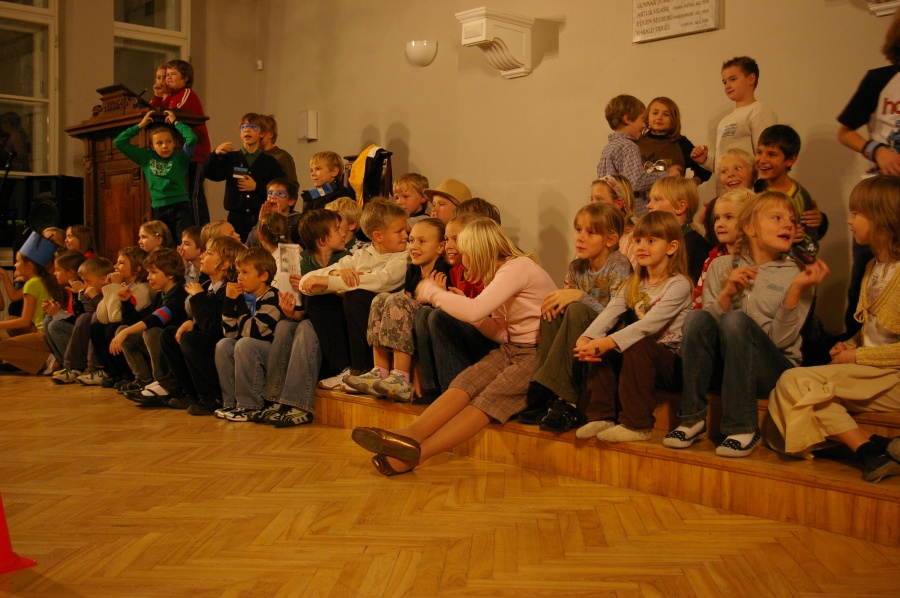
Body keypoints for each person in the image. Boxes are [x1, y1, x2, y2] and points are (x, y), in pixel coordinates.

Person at [350, 218, 557, 476]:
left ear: (477, 251)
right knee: (466, 382)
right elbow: (502, 333)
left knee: (489, 399)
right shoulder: (499, 274)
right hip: (512, 348)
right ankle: (409, 435)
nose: (461, 259)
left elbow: (475, 310)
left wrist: (435, 293)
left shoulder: (517, 268)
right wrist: (472, 313)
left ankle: (417, 455)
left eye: (464, 253)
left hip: (538, 354)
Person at [664, 192, 829, 457]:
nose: (788, 225)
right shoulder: (721, 266)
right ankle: (692, 419)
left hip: (774, 371)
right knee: (696, 317)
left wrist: (796, 290)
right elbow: (704, 332)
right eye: (777, 218)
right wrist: (727, 294)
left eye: (792, 220)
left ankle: (742, 427)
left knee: (736, 320)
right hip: (728, 368)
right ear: (750, 228)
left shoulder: (800, 274)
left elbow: (780, 341)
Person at [766, 176, 900, 482]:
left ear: (883, 219)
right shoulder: (873, 267)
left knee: (792, 383)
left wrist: (857, 357)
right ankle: (877, 446)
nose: (849, 221)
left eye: (857, 214)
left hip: (892, 377)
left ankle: (866, 451)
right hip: (874, 373)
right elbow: (874, 332)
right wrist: (850, 345)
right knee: (790, 393)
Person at [573, 211, 693, 442]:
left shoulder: (679, 284)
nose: (641, 247)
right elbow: (610, 313)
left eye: (651, 241)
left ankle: (637, 425)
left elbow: (648, 325)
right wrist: (587, 338)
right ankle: (602, 415)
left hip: (671, 362)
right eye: (637, 240)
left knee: (633, 343)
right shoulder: (633, 283)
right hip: (640, 361)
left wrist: (607, 342)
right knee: (606, 345)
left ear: (671, 247)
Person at [518, 203, 632, 430]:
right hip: (580, 332)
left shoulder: (619, 264)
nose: (580, 237)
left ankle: (563, 397)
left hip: (612, 334)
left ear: (610, 240)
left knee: (576, 309)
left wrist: (580, 296)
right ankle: (541, 383)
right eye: (578, 230)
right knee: (553, 310)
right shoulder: (576, 266)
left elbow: (616, 315)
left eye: (590, 232)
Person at [256, 209, 351, 427]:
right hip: (315, 327)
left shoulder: (345, 259)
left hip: (338, 334)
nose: (343, 233)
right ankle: (274, 398)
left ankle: (298, 403)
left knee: (307, 326)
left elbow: (347, 298)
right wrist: (291, 312)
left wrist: (318, 283)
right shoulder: (305, 262)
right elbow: (305, 312)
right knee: (285, 326)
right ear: (322, 240)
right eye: (337, 230)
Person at [304, 198, 410, 388]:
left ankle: (363, 369)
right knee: (317, 302)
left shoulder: (406, 254)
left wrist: (329, 281)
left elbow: (383, 280)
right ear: (378, 236)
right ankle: (344, 368)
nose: (406, 235)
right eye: (399, 231)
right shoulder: (362, 255)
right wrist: (334, 273)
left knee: (357, 296)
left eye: (405, 229)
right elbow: (306, 282)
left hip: (391, 317)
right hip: (363, 317)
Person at [345, 218, 451, 402]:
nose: (414, 246)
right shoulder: (413, 271)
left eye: (422, 241)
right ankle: (380, 371)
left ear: (440, 247)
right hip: (411, 329)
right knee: (380, 299)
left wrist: (417, 370)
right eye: (412, 240)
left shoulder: (443, 271)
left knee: (398, 300)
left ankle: (401, 377)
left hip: (429, 330)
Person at [414, 213, 497, 403]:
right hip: (469, 330)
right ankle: (431, 387)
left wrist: (457, 300)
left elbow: (484, 312)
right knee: (423, 314)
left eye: (456, 239)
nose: (449, 245)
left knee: (438, 317)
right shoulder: (454, 271)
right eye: (446, 239)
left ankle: (451, 392)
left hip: (488, 336)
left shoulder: (488, 271)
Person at [161, 235, 243, 415]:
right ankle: (189, 393)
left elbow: (214, 329)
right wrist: (190, 322)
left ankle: (212, 397)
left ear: (224, 264)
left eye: (209, 253)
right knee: (169, 334)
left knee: (192, 340)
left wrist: (198, 297)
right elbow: (201, 319)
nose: (202, 256)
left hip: (224, 344)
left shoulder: (231, 289)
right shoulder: (206, 285)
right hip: (209, 338)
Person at [109, 248, 189, 400]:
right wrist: (126, 303)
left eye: (153, 272)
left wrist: (125, 332)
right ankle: (143, 379)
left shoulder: (180, 295)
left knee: (152, 332)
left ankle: (163, 382)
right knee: (123, 329)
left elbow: (155, 319)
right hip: (164, 349)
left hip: (176, 350)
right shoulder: (161, 295)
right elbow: (139, 321)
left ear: (170, 274)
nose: (148, 277)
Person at [214, 246, 283, 421]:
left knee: (245, 344)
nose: (239, 278)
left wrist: (238, 302)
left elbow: (253, 332)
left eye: (245, 272)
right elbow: (229, 334)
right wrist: (229, 302)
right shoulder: (244, 297)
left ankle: (250, 405)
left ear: (263, 276)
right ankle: (231, 402)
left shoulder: (273, 297)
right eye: (238, 272)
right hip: (248, 348)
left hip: (271, 352)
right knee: (223, 345)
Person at [691, 56, 778, 193]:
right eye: (724, 82)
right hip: (725, 195)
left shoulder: (759, 111)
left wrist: (761, 193)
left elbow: (765, 157)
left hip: (748, 194)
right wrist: (705, 160)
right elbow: (723, 165)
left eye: (733, 79)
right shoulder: (725, 120)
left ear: (751, 79)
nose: (727, 86)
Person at [114, 109, 197, 239]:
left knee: (184, 241)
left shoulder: (181, 158)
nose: (165, 146)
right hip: (159, 208)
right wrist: (140, 126)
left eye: (169, 141)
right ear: (152, 146)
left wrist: (176, 122)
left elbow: (192, 139)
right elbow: (119, 142)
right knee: (161, 243)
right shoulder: (146, 158)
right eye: (159, 143)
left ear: (174, 143)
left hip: (180, 206)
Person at [596, 94, 682, 216]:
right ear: (627, 119)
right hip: (633, 215)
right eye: (642, 119)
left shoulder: (609, 148)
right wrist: (667, 174)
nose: (644, 125)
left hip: (613, 214)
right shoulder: (629, 147)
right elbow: (636, 182)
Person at [204, 113, 285, 241]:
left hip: (260, 217)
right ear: (240, 133)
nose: (247, 130)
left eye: (253, 127)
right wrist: (214, 155)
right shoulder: (231, 158)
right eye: (243, 127)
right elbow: (210, 173)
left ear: (262, 134)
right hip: (236, 218)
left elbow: (280, 190)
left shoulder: (270, 162)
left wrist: (256, 187)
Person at [151, 59, 212, 224]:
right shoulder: (170, 96)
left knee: (194, 193)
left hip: (196, 152)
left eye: (173, 74)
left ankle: (200, 229)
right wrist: (158, 96)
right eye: (167, 75)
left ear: (185, 78)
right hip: (182, 153)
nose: (168, 78)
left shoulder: (186, 93)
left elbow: (175, 112)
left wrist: (162, 101)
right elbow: (154, 112)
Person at [85, 246, 152, 387]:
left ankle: (128, 374)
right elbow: (103, 317)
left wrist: (114, 287)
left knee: (113, 329)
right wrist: (110, 287)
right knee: (96, 328)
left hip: (135, 328)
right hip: (119, 322)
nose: (115, 267)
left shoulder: (144, 288)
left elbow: (115, 318)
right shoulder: (120, 285)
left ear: (136, 269)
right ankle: (115, 374)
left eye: (121, 263)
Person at [753, 124, 828, 245]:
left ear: (791, 160)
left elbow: (809, 244)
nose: (762, 160)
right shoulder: (754, 189)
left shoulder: (801, 198)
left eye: (771, 154)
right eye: (759, 152)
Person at [0, 232, 60, 374]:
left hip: (44, 334)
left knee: (3, 345)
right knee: (9, 320)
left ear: (28, 265)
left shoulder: (32, 284)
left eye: (17, 262)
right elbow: (14, 298)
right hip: (45, 330)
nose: (15, 265)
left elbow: (24, 321)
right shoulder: (39, 280)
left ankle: (47, 360)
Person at [49, 256, 112, 384]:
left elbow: (102, 312)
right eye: (83, 281)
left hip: (108, 329)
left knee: (93, 318)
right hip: (93, 325)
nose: (85, 285)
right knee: (84, 318)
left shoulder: (110, 291)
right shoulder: (91, 292)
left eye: (88, 281)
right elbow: (85, 313)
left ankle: (96, 368)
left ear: (103, 279)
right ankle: (74, 367)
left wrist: (88, 296)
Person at [693, 188, 754, 309]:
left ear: (749, 222)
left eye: (729, 217)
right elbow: (699, 301)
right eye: (717, 218)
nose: (719, 224)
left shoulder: (757, 258)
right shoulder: (712, 259)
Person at [645, 176, 711, 282]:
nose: (648, 205)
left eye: (657, 199)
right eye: (650, 200)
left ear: (680, 207)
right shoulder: (655, 240)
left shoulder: (695, 246)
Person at [637, 96, 711, 187]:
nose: (659, 117)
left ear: (674, 119)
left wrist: (695, 182)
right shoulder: (637, 142)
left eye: (666, 114)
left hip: (674, 195)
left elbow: (704, 168)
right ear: (647, 116)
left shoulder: (681, 143)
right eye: (655, 113)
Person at [42, 250, 87, 381]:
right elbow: (74, 316)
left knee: (55, 326)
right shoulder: (70, 287)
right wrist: (56, 312)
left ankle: (76, 366)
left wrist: (58, 314)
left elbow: (83, 320)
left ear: (71, 272)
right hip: (79, 329)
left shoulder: (81, 288)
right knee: (48, 320)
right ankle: (64, 363)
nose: (54, 273)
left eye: (58, 270)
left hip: (87, 334)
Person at [591, 175, 637, 267]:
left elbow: (633, 273)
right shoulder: (590, 235)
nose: (592, 205)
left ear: (618, 204)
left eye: (599, 200)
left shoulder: (633, 239)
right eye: (591, 199)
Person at [246, 178, 301, 247]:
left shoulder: (298, 222)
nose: (273, 196)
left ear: (291, 201)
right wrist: (260, 223)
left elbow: (287, 244)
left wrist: (280, 223)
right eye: (270, 193)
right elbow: (251, 245)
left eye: (280, 193)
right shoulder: (265, 221)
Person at [260, 114, 298, 183]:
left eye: (261, 132)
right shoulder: (254, 156)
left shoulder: (283, 157)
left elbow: (293, 185)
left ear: (271, 134)